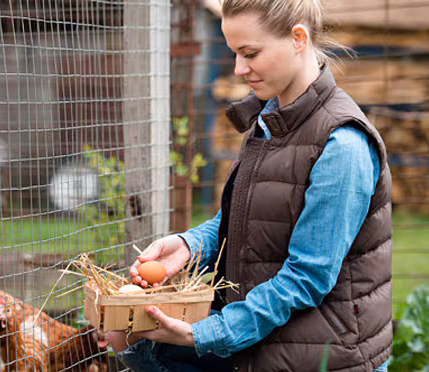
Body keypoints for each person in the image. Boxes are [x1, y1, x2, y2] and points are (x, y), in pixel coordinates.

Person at [106, 0, 393, 371]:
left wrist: (206, 333)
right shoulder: (271, 120)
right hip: (265, 337)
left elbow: (307, 278)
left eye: (250, 53)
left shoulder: (343, 145)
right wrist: (189, 246)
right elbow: (252, 219)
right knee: (127, 337)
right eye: (234, 54)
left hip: (323, 354)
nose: (240, 69)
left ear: (298, 39)